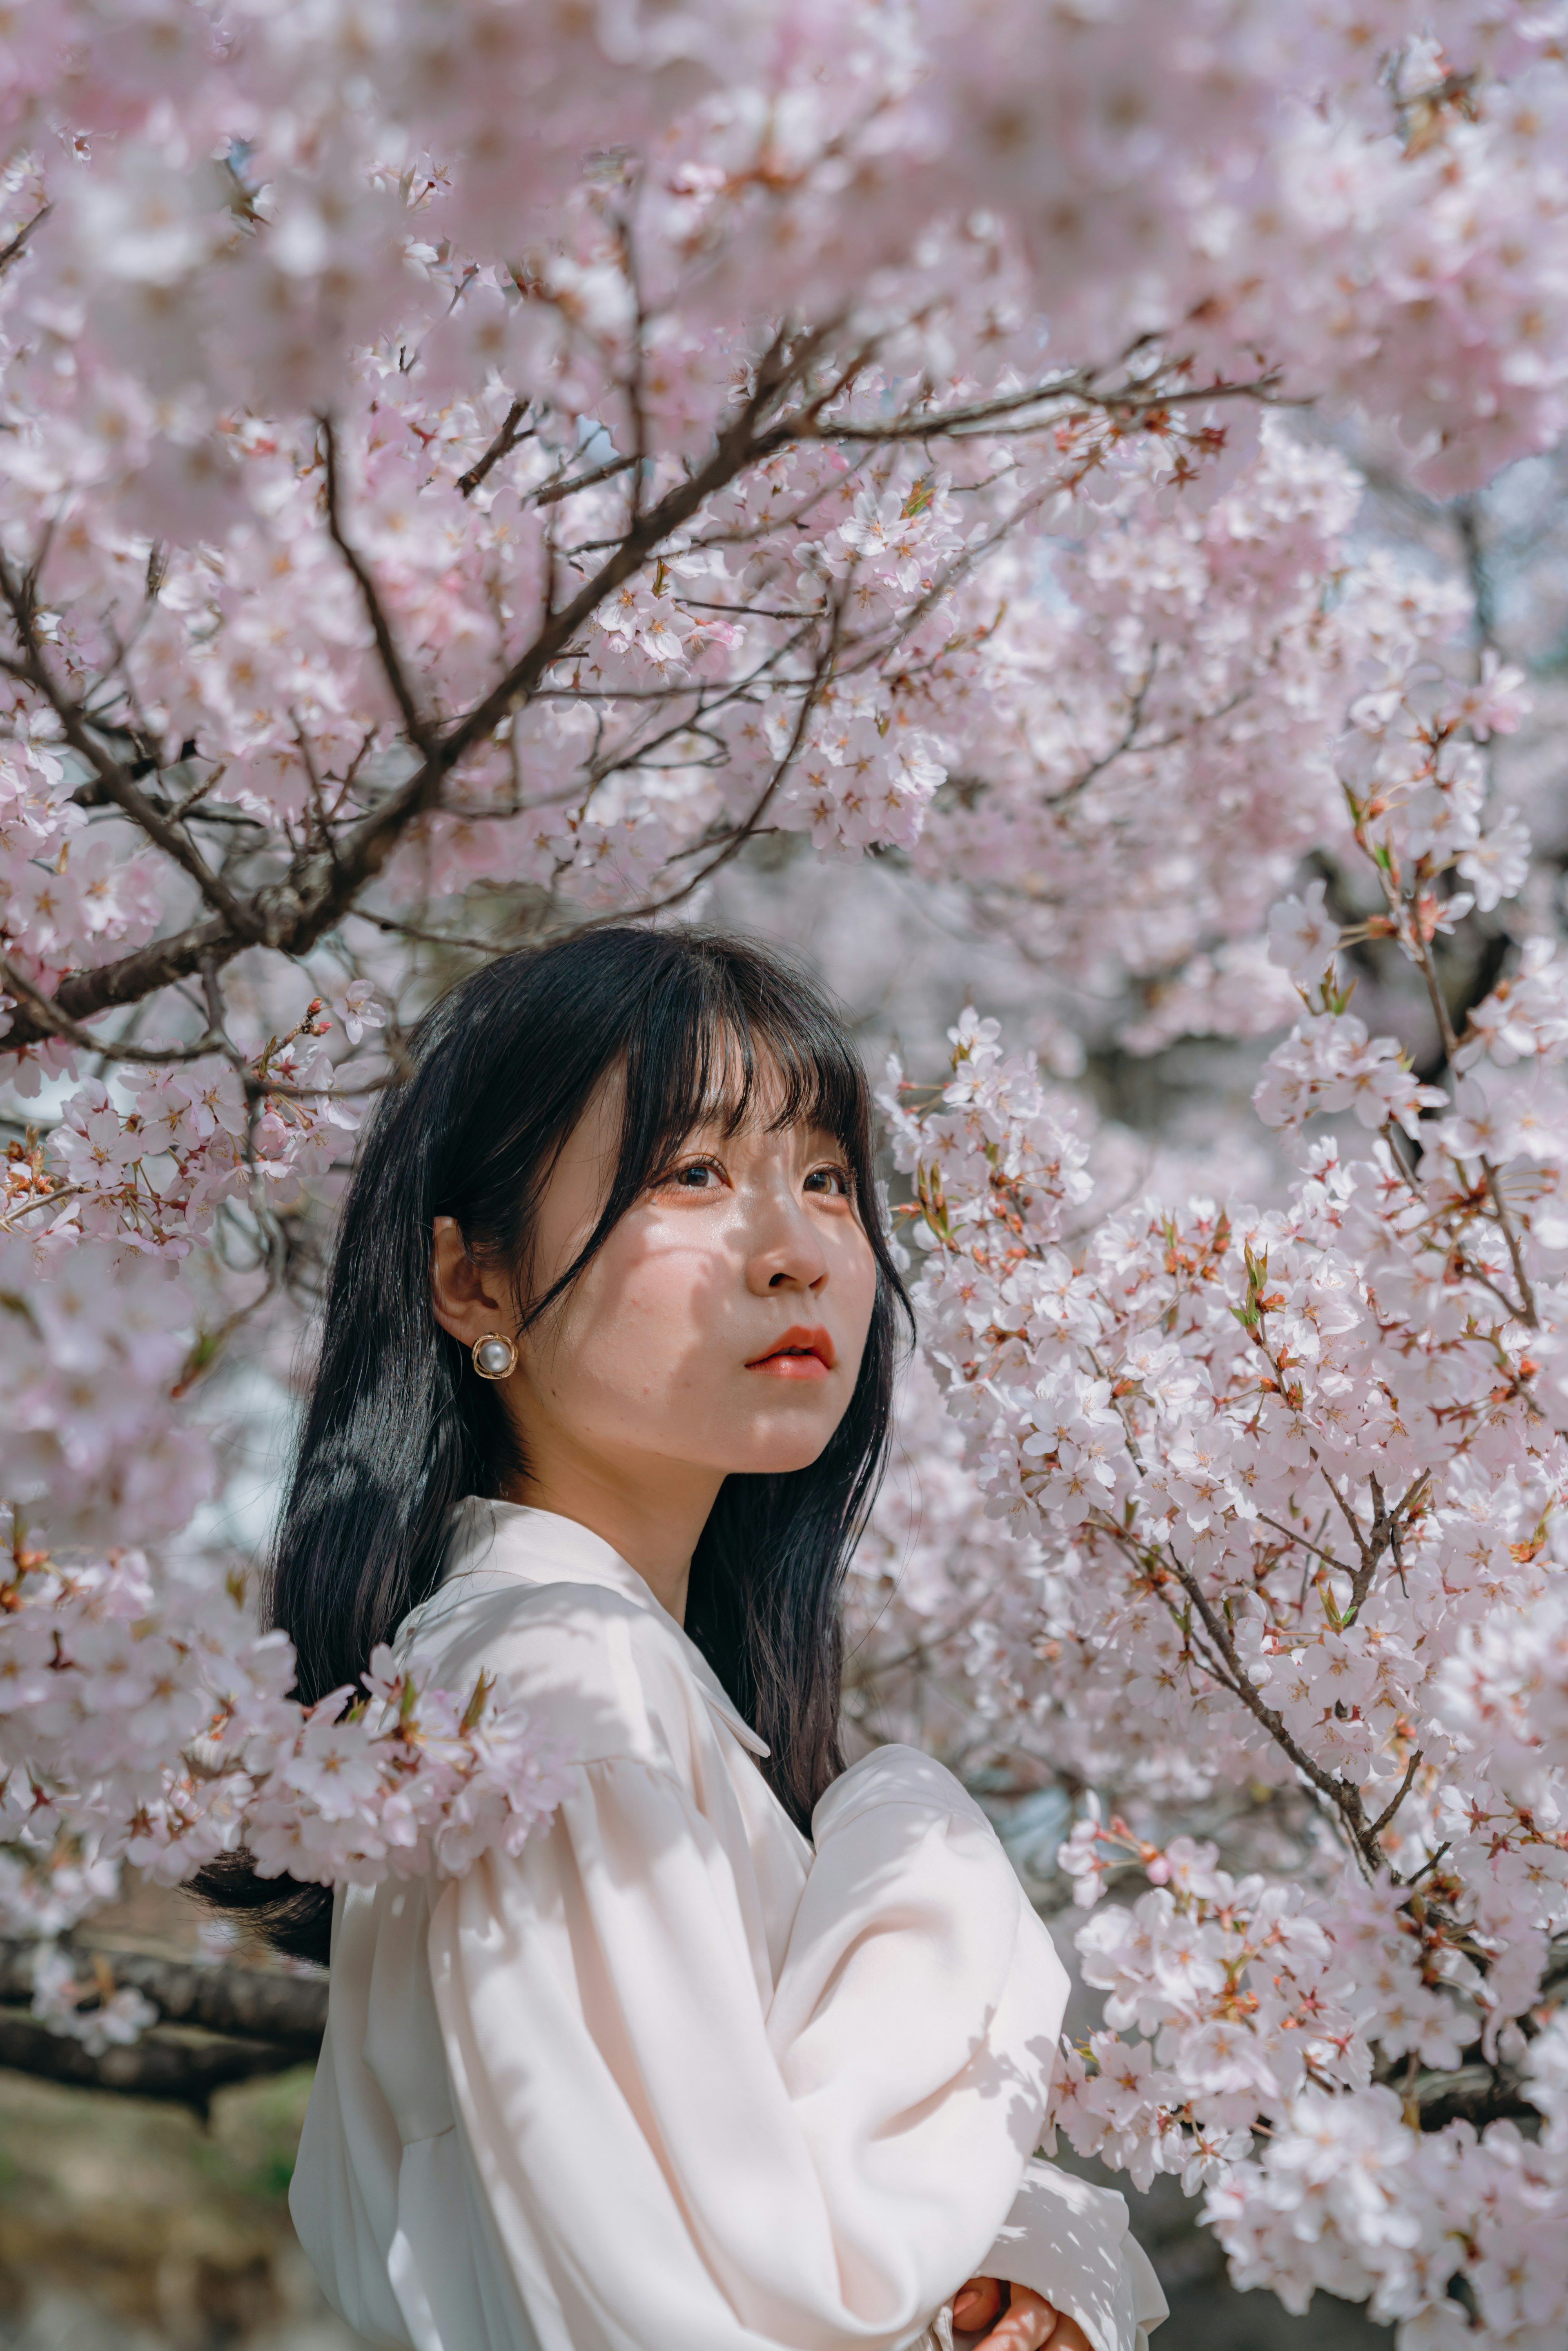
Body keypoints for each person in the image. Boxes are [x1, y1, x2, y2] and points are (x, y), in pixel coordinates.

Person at [217, 927, 1166, 2351]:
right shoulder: (552, 1684)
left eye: (829, 1177)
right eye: (695, 1173)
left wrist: (1014, 2253)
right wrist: (942, 1876)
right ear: (473, 1285)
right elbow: (734, 2305)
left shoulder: (544, 1675)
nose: (794, 1251)